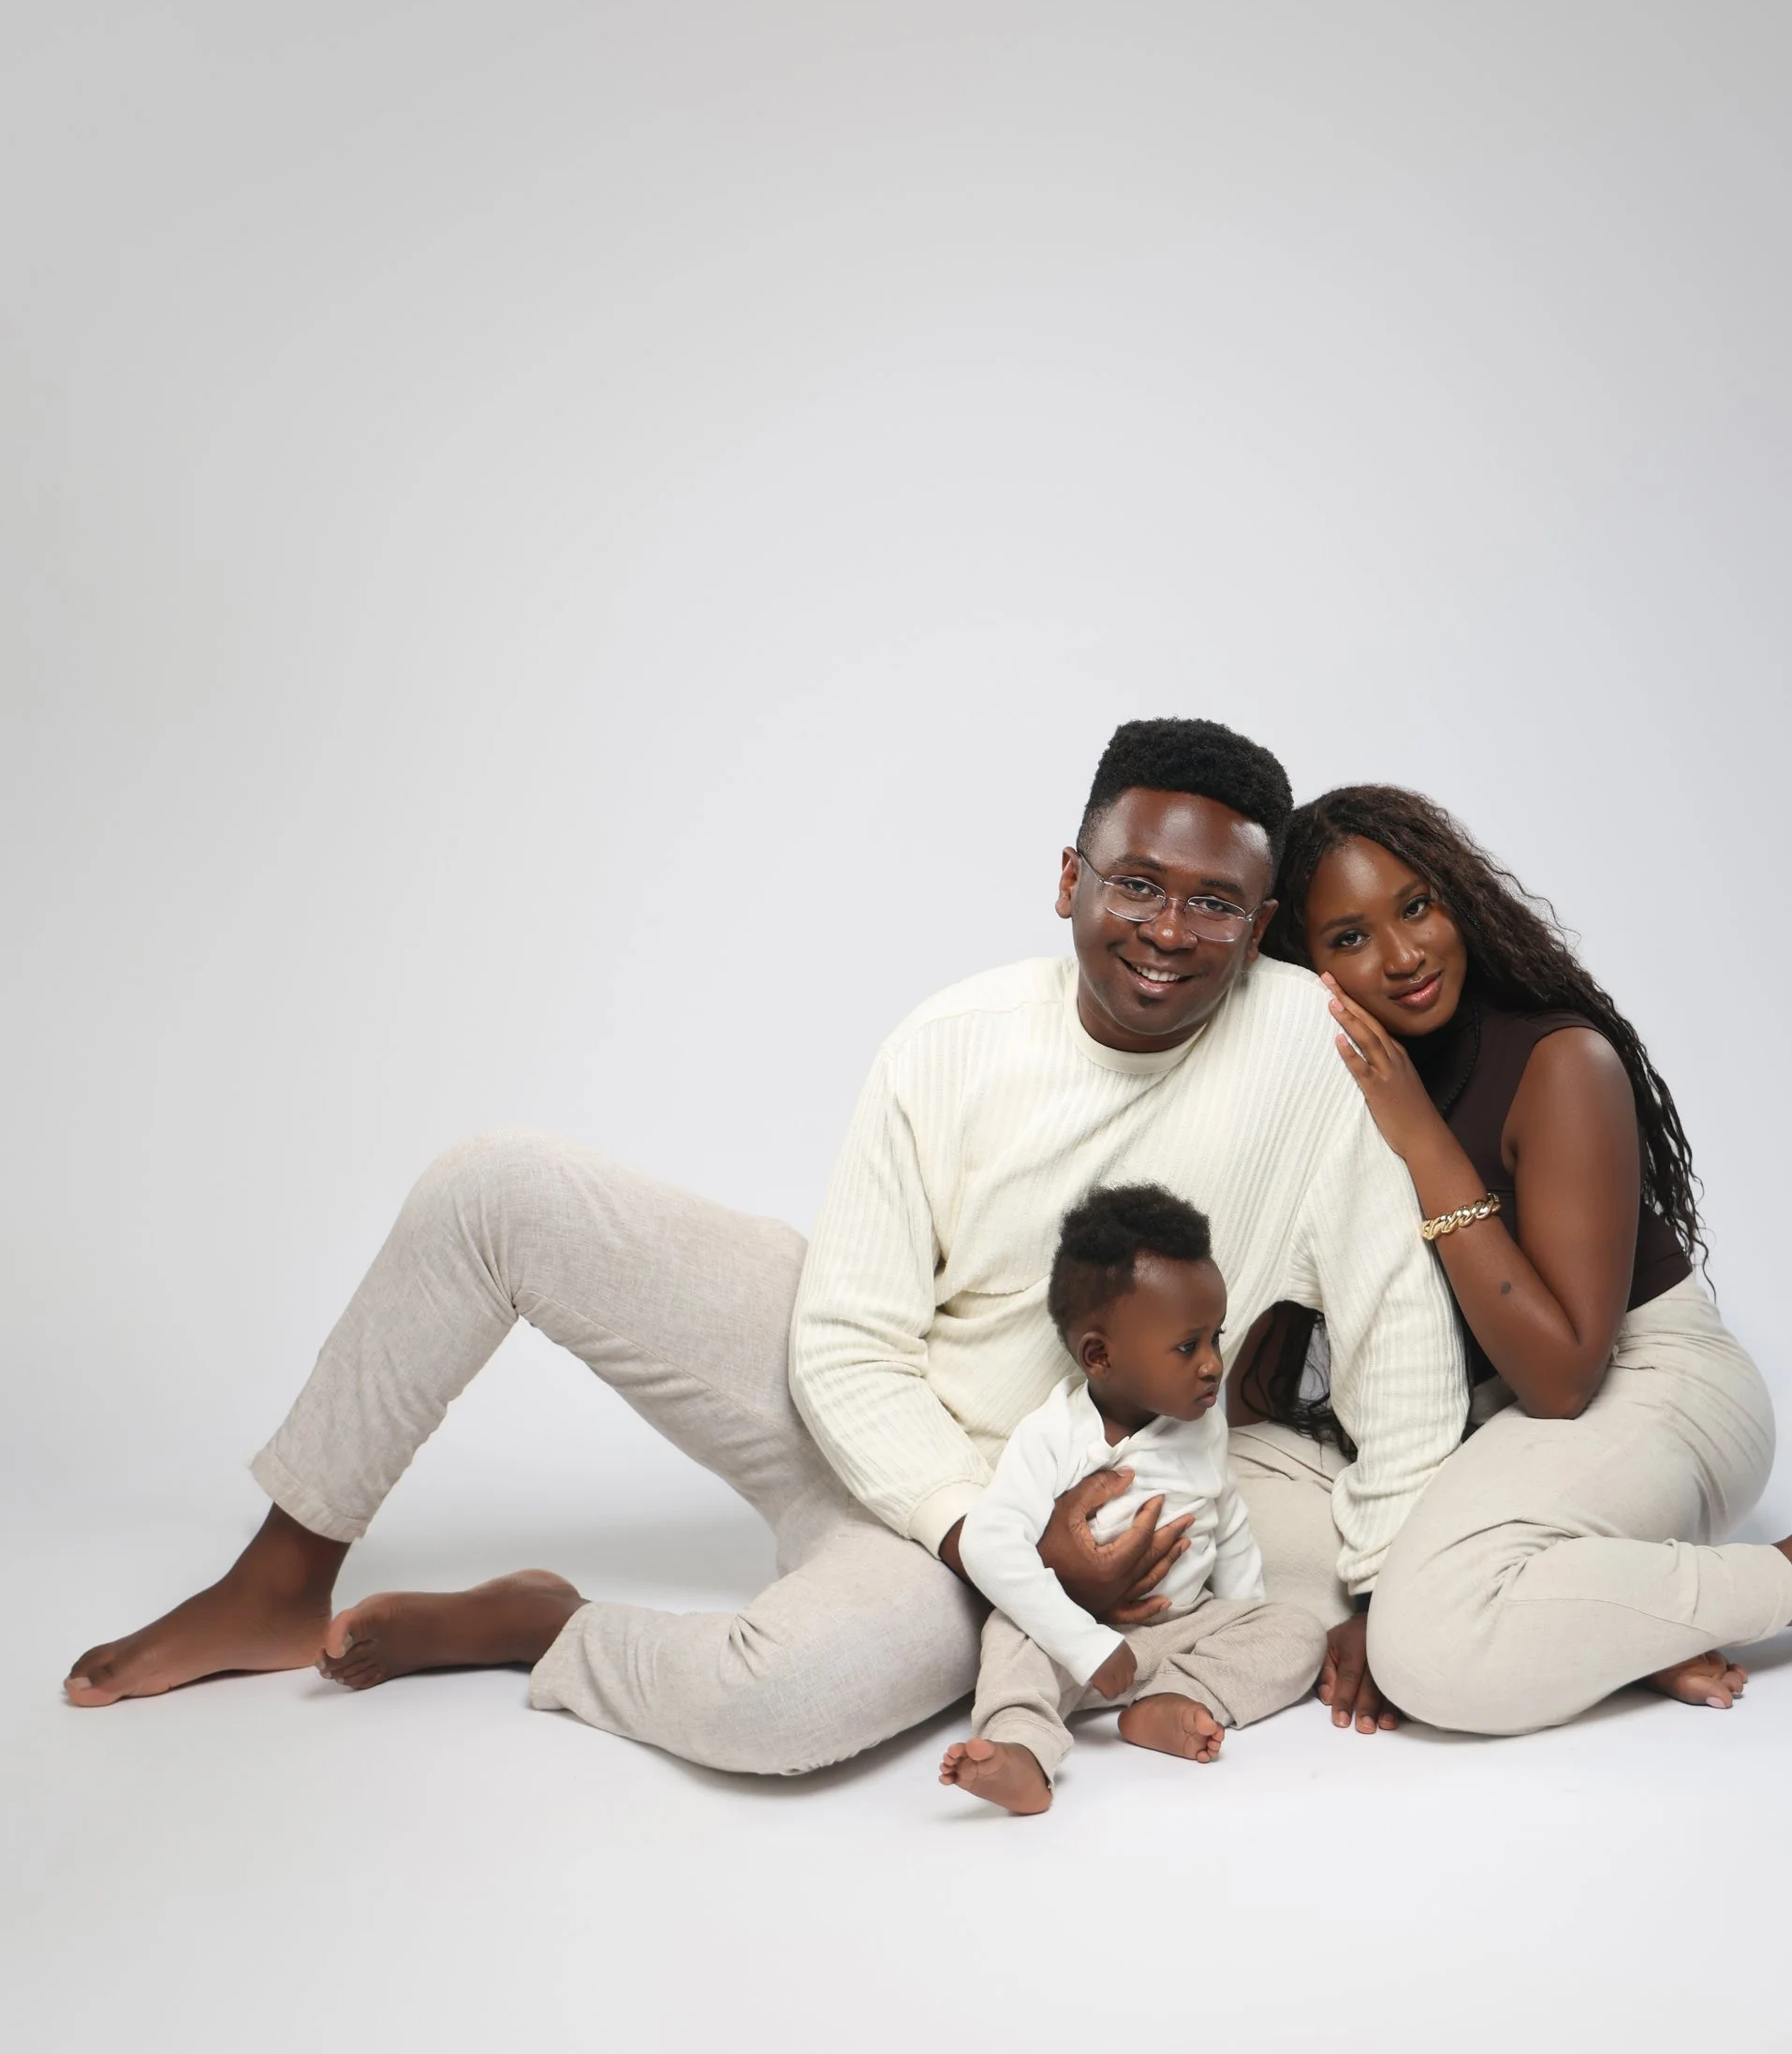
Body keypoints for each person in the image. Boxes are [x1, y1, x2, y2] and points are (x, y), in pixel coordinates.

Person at [64, 723, 1466, 1778]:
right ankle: (280, 1572)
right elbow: (850, 1339)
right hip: (878, 1426)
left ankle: (544, 1629)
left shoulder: (1314, 1056)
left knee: (776, 1713)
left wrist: (1382, 1592)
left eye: (1216, 903)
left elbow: (1397, 1324)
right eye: (1136, 884)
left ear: (1264, 923)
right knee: (493, 1188)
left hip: (1015, 1517)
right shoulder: (952, 1038)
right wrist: (989, 1542)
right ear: (1067, 878)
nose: (1168, 929)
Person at [1247, 784, 1792, 1739]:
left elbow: (1559, 1377)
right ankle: (1614, 1626)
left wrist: (1423, 1139)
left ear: (1458, 895)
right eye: (1349, 937)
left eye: (1416, 905)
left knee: (1431, 1653)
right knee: (1202, 1491)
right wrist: (1362, 1576)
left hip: (1643, 1382)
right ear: (1306, 963)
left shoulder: (1560, 1062)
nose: (1404, 954)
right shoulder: (1330, 1078)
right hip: (1473, 1425)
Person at [939, 1183, 1327, 1815]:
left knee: (1297, 1631)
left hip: (1179, 1633)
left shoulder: (1203, 1424)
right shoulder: (1053, 1435)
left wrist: (1244, 1623)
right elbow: (988, 1541)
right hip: (1075, 1638)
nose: (1212, 1366)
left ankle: (1165, 1702)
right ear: (1099, 1355)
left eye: (1216, 1339)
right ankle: (1020, 1751)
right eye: (1187, 1346)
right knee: (1010, 1632)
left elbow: (1226, 1522)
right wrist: (1086, 1645)